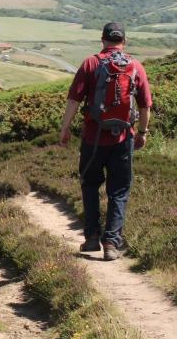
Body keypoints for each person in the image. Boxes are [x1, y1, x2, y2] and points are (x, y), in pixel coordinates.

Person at [59, 22, 152, 261]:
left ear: (103, 40)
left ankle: (91, 238)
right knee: (119, 191)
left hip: (93, 137)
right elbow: (145, 105)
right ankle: (111, 243)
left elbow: (73, 100)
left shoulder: (91, 63)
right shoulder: (135, 66)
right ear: (124, 42)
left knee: (90, 185)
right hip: (123, 138)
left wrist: (65, 128)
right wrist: (142, 132)